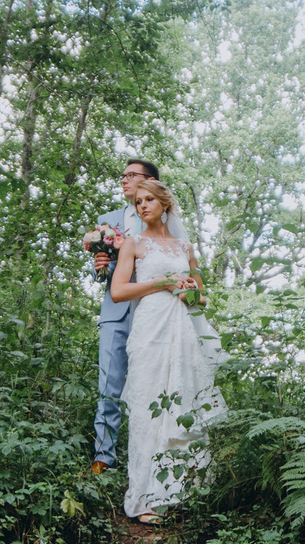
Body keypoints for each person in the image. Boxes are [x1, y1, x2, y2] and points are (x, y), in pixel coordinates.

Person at [107, 175, 224, 521]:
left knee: (183, 400)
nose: (142, 206)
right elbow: (118, 292)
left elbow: (201, 296)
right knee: (147, 406)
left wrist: (188, 288)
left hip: (181, 329)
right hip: (149, 329)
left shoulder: (186, 247)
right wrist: (162, 282)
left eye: (148, 201)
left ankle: (181, 492)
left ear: (165, 204)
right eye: (137, 202)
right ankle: (143, 499)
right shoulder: (133, 244)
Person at [88, 160, 157, 472]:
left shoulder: (163, 219)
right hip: (115, 313)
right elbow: (101, 276)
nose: (124, 181)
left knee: (152, 385)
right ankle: (104, 457)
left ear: (150, 180)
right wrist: (99, 267)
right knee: (109, 384)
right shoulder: (108, 221)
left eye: (132, 176)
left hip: (154, 311)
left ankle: (148, 460)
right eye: (123, 176)